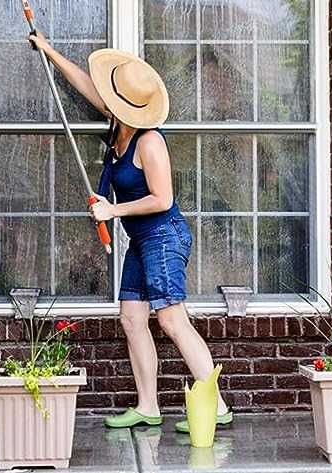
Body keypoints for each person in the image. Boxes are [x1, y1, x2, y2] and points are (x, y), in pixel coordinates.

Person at [28, 33, 233, 432]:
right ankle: (148, 406)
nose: (104, 98)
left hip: (164, 234)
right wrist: (50, 50)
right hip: (142, 239)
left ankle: (218, 406)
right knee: (132, 319)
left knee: (173, 320)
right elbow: (85, 86)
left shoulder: (149, 140)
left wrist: (112, 209)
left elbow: (162, 198)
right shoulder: (117, 123)